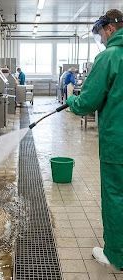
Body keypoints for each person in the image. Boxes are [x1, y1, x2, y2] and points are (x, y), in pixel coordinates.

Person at [66, 9, 123, 270]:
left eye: (100, 34)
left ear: (110, 28)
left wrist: (71, 101)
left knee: (115, 194)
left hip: (118, 142)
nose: (100, 39)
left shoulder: (110, 56)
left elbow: (87, 102)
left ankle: (116, 255)